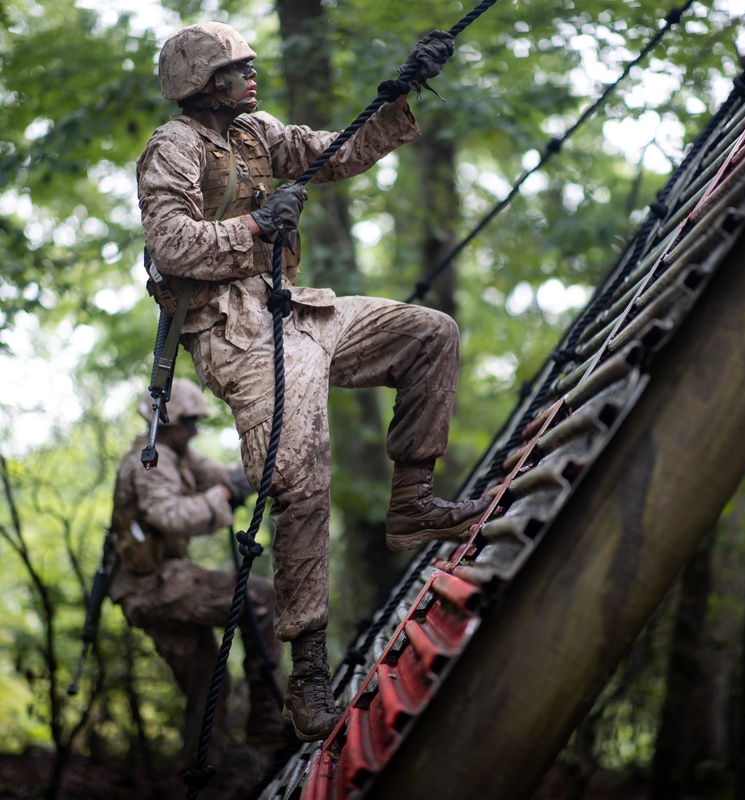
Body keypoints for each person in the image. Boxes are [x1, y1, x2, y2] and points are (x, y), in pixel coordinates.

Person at [136, 22, 491, 742]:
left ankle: (414, 501)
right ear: (206, 84)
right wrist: (257, 229)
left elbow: (337, 153)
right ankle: (307, 678)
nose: (253, 74)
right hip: (236, 332)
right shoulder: (170, 149)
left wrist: (398, 97)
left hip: (299, 310)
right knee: (298, 471)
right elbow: (169, 246)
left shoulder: (257, 131)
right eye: (239, 68)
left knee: (430, 333)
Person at [108, 378, 287, 767]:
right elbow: (170, 515)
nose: (195, 430)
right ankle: (266, 716)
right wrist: (224, 496)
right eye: (189, 422)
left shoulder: (180, 454)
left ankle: (198, 772)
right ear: (168, 422)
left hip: (159, 584)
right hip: (152, 586)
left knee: (208, 684)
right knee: (260, 598)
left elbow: (222, 476)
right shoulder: (149, 461)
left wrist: (260, 461)